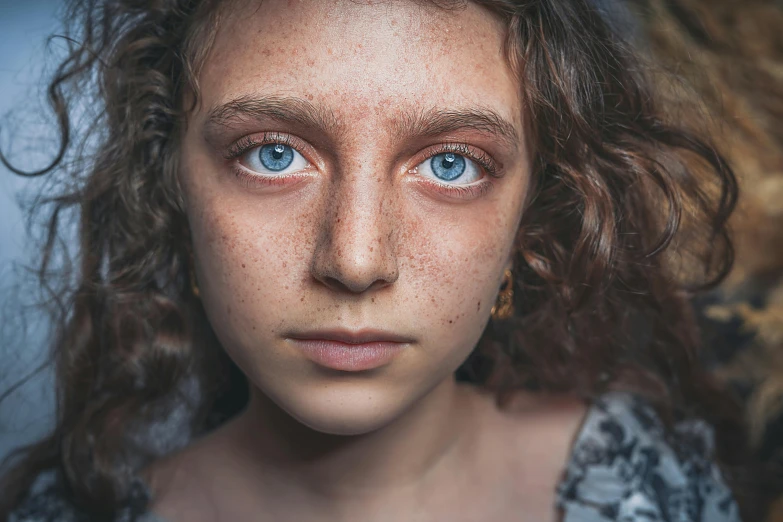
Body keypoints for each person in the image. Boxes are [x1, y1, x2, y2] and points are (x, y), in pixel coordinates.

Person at [0, 0, 763, 520]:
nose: (357, 260)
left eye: (452, 165)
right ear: (170, 190)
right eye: (272, 154)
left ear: (532, 216)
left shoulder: (646, 489)